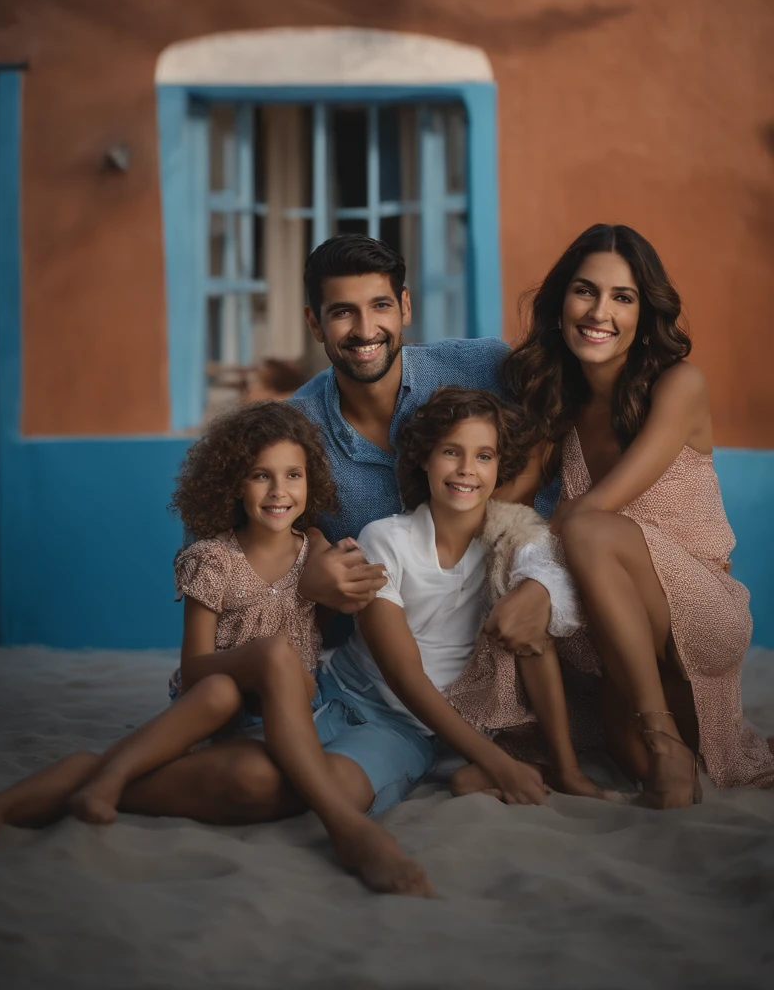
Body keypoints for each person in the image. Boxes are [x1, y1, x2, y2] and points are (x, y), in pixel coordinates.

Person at [0, 402, 432, 896]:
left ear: (311, 483)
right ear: (232, 483)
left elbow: (324, 617)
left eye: (293, 475)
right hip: (217, 704)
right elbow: (193, 668)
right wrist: (269, 657)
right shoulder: (212, 559)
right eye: (260, 476)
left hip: (293, 710)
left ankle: (98, 778)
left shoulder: (314, 547)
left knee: (282, 677)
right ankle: (345, 828)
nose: (279, 490)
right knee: (247, 672)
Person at [500, 223, 774, 807]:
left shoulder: (679, 384)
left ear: (644, 314)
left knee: (583, 525)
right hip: (622, 636)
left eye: (622, 297)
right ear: (559, 304)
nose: (600, 312)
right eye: (585, 291)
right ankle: (665, 738)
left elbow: (595, 509)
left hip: (702, 610)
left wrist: (542, 586)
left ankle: (663, 736)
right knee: (625, 759)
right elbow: (502, 509)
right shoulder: (562, 408)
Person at [324, 387, 609, 806]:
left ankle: (551, 770)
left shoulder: (513, 540)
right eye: (450, 452)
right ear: (424, 458)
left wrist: (562, 769)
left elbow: (541, 626)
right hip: (341, 691)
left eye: (483, 456)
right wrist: (498, 764)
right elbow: (404, 674)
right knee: (254, 766)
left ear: (499, 467)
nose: (466, 470)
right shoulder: (385, 539)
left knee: (331, 788)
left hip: (422, 727)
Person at [290, 234, 559, 653]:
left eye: (380, 305)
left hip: (508, 627)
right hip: (378, 664)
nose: (365, 330)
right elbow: (235, 546)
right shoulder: (295, 428)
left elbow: (562, 448)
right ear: (314, 323)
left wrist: (542, 580)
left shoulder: (485, 367)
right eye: (343, 312)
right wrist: (306, 571)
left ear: (406, 306)